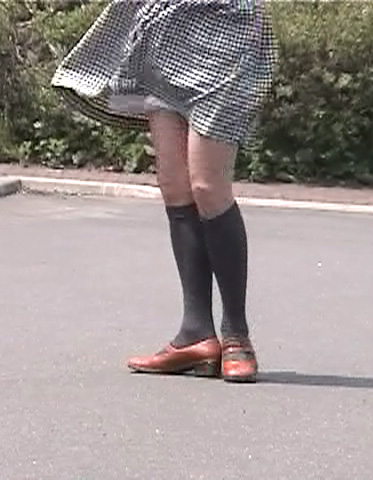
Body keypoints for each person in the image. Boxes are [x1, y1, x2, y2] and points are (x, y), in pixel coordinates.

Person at [51, 0, 276, 383]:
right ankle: (196, 334)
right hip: (163, 25)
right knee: (175, 186)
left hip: (225, 27)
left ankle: (237, 336)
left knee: (208, 184)